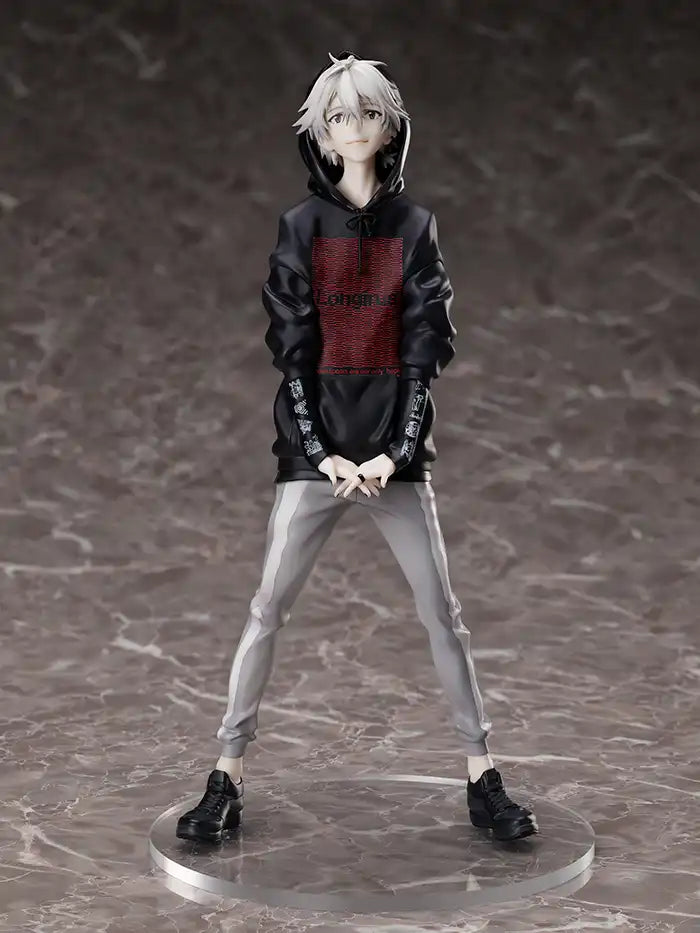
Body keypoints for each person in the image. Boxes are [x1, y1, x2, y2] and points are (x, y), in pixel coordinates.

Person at [177, 51, 538, 844]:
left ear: (390, 124)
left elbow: (424, 350)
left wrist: (394, 453)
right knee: (267, 606)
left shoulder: (415, 227)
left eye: (368, 113)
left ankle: (482, 774)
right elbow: (293, 352)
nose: (354, 128)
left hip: (392, 459)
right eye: (339, 116)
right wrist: (322, 453)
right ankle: (226, 773)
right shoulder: (300, 227)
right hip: (316, 456)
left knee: (442, 612)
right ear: (320, 131)